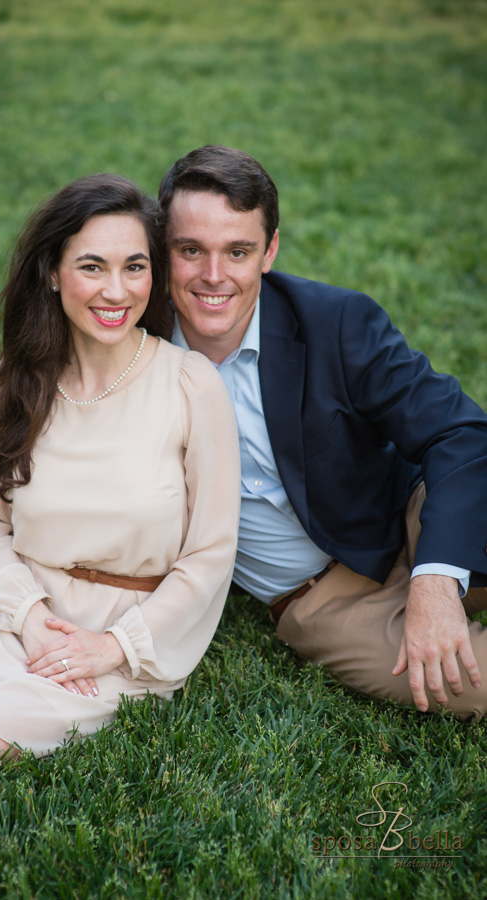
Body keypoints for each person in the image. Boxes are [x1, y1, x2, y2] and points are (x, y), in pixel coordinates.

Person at [0, 174, 240, 760]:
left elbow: (209, 554)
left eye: (134, 267)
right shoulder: (21, 381)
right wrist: (28, 618)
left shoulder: (190, 384)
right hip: (16, 609)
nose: (116, 290)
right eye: (92, 267)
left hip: (124, 632)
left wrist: (113, 647)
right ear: (52, 273)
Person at [160, 144, 487, 719]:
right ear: (163, 252)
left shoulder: (335, 320)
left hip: (404, 519)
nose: (214, 276)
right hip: (319, 600)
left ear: (270, 250)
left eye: (238, 251)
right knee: (467, 684)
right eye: (191, 250)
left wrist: (435, 579)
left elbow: (459, 432)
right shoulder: (130, 348)